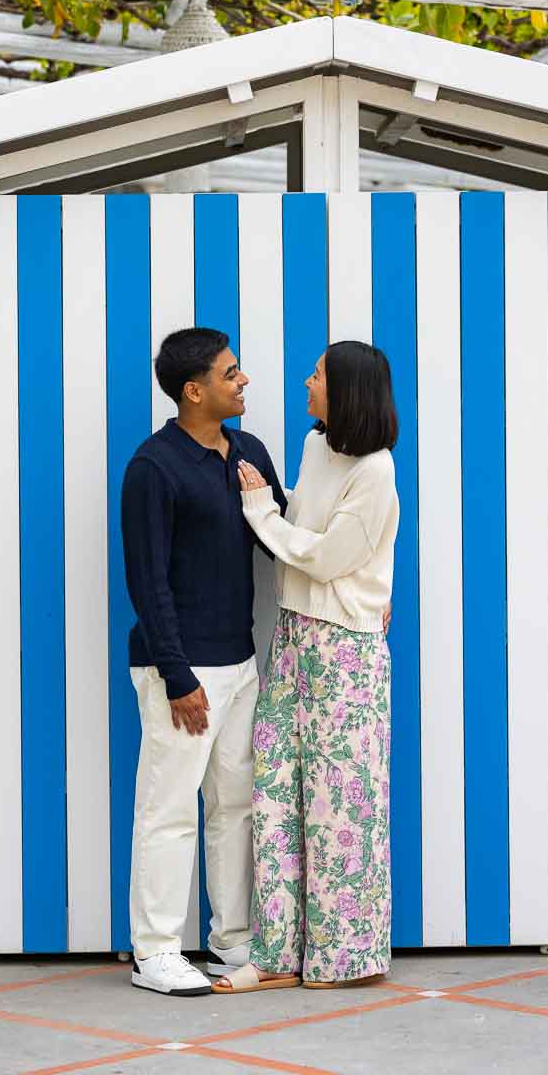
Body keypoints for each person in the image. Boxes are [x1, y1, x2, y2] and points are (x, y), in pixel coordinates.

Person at [213, 340, 399, 994]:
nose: (305, 381)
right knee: (275, 795)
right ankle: (276, 951)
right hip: (295, 638)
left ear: (345, 388)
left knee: (340, 807)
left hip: (345, 651)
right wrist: (276, 500)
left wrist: (262, 511)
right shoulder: (320, 447)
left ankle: (341, 958)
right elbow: (312, 524)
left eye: (317, 374)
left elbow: (325, 557)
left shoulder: (375, 470)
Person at [122, 327, 286, 997]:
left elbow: (283, 538)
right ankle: (155, 951)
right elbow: (147, 580)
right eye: (231, 372)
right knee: (169, 809)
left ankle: (231, 940)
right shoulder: (153, 467)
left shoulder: (249, 451)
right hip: (181, 673)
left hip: (241, 662)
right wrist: (178, 675)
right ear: (195, 391)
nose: (243, 381)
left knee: (235, 804)